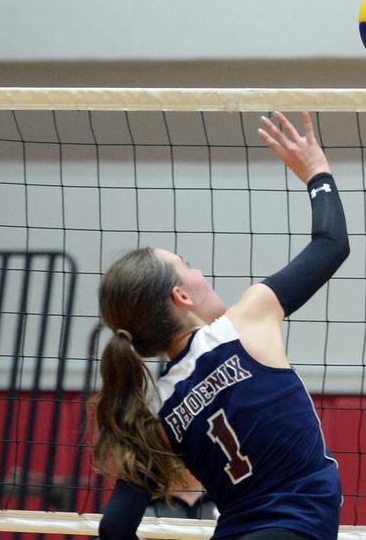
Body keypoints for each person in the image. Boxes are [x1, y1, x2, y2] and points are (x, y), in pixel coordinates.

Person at [92, 111, 349, 540]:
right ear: (181, 297)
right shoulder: (245, 320)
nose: (198, 271)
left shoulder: (157, 409)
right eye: (186, 265)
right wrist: (316, 172)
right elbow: (331, 244)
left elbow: (115, 528)